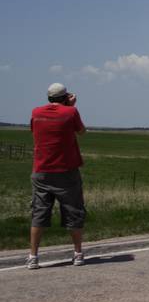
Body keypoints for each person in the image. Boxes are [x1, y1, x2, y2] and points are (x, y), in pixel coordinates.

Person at [26, 83, 87, 270]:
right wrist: (71, 107)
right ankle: (77, 253)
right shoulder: (70, 112)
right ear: (65, 97)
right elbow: (81, 132)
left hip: (41, 170)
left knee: (39, 212)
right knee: (73, 211)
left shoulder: (36, 112)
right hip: (66, 170)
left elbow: (33, 130)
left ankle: (33, 256)